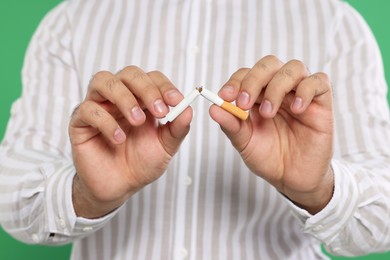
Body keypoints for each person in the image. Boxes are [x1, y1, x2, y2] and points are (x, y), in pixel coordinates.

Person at [1, 0, 390, 259]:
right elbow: (11, 199)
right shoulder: (72, 21)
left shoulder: (334, 24)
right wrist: (84, 197)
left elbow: (381, 221)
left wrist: (319, 190)